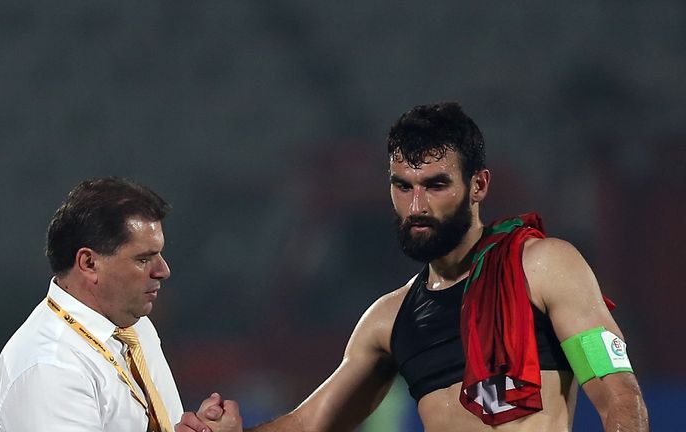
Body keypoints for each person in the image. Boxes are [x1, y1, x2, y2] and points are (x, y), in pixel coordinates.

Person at [176, 102, 649, 432]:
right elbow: (308, 423)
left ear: (479, 185)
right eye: (403, 186)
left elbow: (619, 393)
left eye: (435, 185)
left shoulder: (544, 267)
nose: (416, 205)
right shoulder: (388, 320)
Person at [0, 177, 184, 432]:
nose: (163, 271)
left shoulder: (136, 328)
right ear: (89, 263)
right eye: (143, 259)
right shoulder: (50, 368)